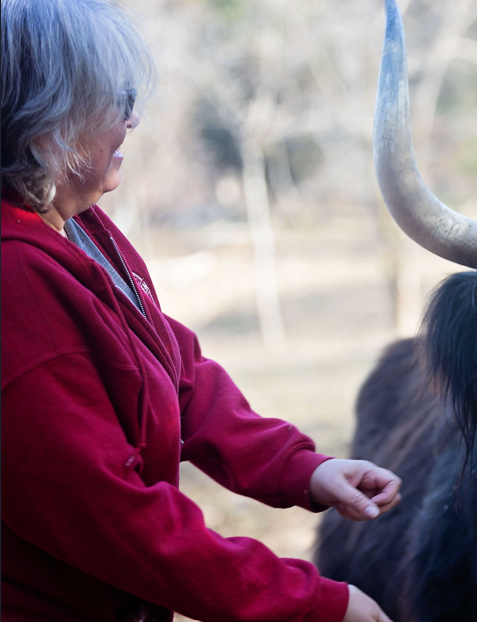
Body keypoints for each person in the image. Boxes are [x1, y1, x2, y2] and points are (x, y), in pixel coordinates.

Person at [0, 1, 401, 620]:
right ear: (47, 117)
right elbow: (116, 519)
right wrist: (312, 606)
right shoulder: (15, 283)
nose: (132, 117)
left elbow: (170, 367)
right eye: (114, 97)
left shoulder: (75, 227)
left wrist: (300, 467)